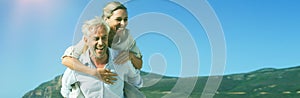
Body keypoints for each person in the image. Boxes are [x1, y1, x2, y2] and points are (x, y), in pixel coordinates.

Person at [61, 1, 142, 83]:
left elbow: (139, 65)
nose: (123, 24)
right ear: (106, 19)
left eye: (125, 19)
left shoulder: (127, 37)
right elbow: (66, 60)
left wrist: (130, 56)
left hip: (115, 79)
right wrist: (94, 72)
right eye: (118, 19)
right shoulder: (93, 34)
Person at [61, 17, 143, 98]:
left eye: (104, 38)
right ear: (86, 40)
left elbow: (136, 82)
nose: (100, 43)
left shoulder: (120, 59)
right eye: (96, 38)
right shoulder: (78, 65)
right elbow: (65, 91)